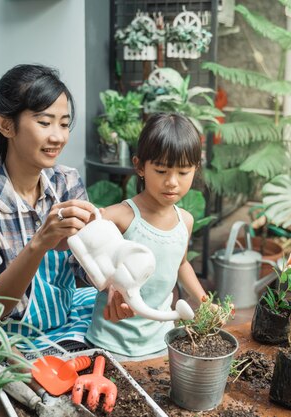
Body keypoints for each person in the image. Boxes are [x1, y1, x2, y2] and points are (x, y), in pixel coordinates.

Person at [0, 64, 100, 353]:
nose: (57, 136)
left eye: (63, 123)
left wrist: (113, 281)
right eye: (45, 123)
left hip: (66, 320)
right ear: (6, 125)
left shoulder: (66, 181)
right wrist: (39, 244)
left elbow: (86, 271)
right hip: (7, 338)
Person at [85, 112, 210, 361]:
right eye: (162, 170)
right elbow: (88, 256)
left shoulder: (185, 220)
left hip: (160, 341)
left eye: (183, 172)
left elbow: (181, 264)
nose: (172, 182)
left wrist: (204, 300)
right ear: (140, 166)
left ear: (195, 169)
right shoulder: (121, 217)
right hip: (112, 341)